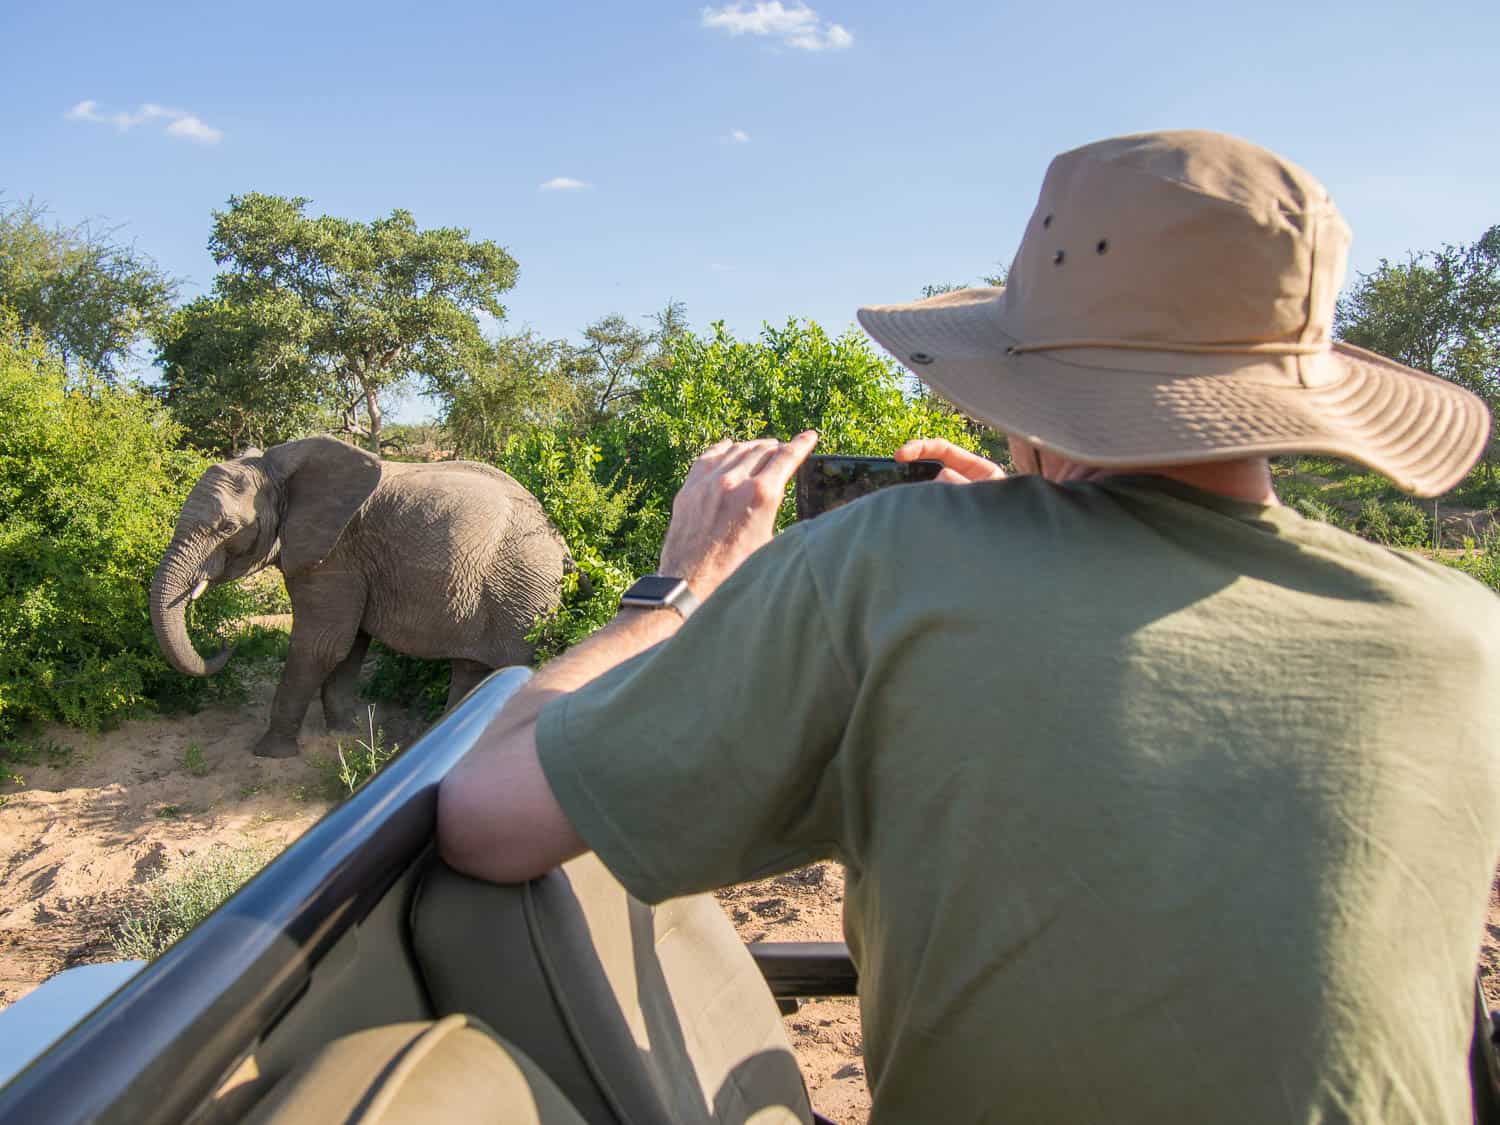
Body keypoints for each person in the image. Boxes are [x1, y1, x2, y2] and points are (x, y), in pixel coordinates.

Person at [438, 131, 1500, 1122]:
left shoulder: (888, 567)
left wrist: (682, 589)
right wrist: (1046, 526)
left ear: (1026, 383)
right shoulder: (1464, 631)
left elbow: (486, 820)